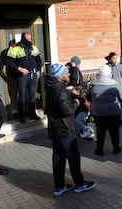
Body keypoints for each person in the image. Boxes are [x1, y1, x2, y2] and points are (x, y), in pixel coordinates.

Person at [45, 63, 95, 196]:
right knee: (73, 157)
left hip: (55, 129)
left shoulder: (52, 87)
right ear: (61, 76)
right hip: (65, 128)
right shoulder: (59, 90)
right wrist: (76, 102)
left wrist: (69, 94)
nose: (68, 75)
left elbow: (58, 102)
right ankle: (80, 184)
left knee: (59, 158)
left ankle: (59, 186)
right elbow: (67, 110)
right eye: (66, 73)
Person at [87, 65, 122, 156]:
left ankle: (99, 150)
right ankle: (116, 148)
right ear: (109, 73)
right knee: (114, 131)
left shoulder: (93, 84)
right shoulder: (115, 84)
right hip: (113, 111)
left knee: (100, 131)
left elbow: (88, 96)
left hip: (98, 112)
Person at [6, 32, 42, 123]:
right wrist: (20, 69)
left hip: (32, 75)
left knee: (32, 96)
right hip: (22, 75)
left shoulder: (33, 47)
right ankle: (21, 115)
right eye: (28, 39)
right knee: (22, 96)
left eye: (30, 39)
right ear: (23, 39)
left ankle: (32, 113)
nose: (30, 41)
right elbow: (9, 62)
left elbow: (39, 60)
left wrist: (38, 70)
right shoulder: (14, 48)